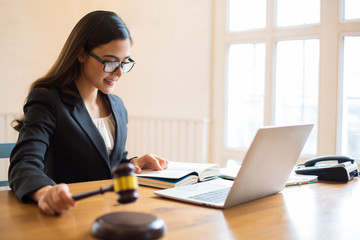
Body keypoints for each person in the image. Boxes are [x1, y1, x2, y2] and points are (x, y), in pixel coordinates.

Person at [8, 10, 168, 216]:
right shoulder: (48, 99)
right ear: (81, 54)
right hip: (68, 214)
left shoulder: (117, 106)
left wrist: (132, 164)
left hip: (108, 211)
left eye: (124, 62)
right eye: (110, 62)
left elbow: (105, 164)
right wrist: (45, 192)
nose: (119, 72)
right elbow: (24, 164)